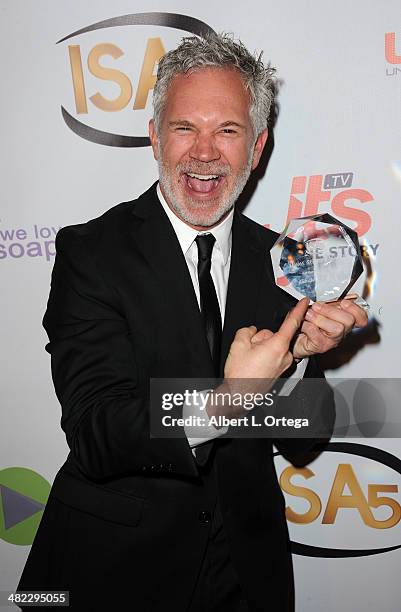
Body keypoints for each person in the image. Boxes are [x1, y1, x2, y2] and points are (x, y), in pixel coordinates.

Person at [17, 33, 367, 611]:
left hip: (245, 580)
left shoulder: (285, 262)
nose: (204, 153)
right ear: (156, 137)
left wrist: (299, 359)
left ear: (257, 149)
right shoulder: (92, 253)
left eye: (227, 131)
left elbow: (303, 441)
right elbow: (97, 432)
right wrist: (229, 400)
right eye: (185, 128)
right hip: (110, 573)